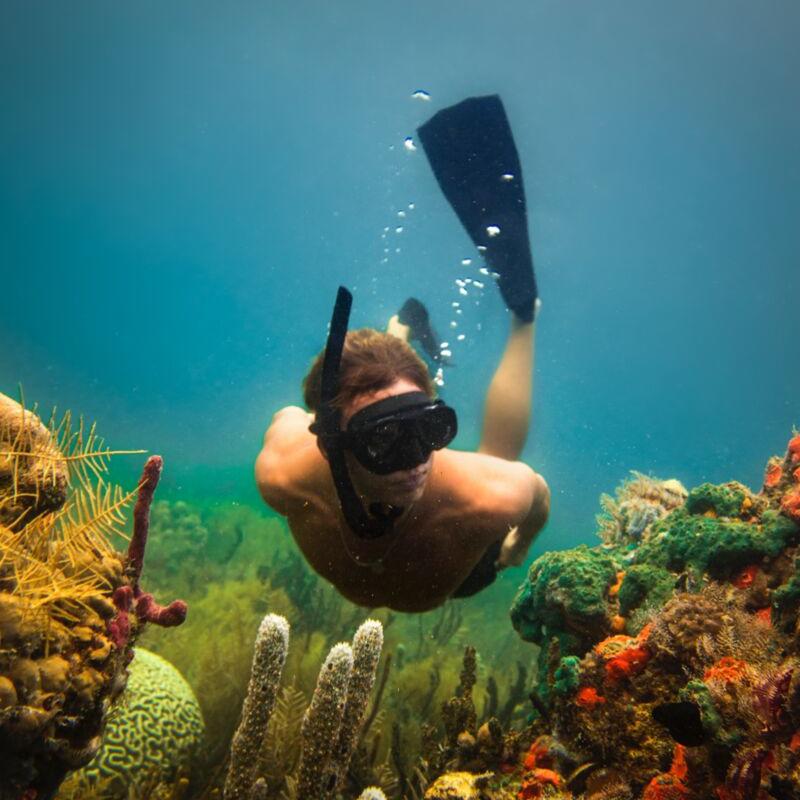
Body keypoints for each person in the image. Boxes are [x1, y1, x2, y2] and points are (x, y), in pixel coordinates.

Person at [255, 95, 550, 612]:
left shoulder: (487, 498)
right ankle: (397, 337)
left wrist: (515, 549)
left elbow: (536, 497)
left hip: (466, 569)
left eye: (430, 429)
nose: (417, 460)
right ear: (328, 442)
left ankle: (524, 316)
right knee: (372, 387)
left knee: (496, 459)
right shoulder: (282, 474)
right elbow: (288, 418)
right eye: (386, 438)